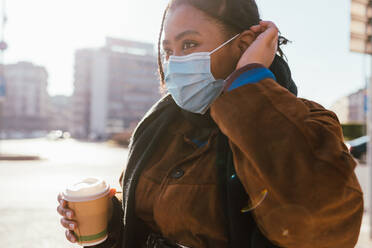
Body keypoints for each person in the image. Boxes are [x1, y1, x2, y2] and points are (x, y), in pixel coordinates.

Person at [57, 0, 364, 247]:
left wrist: (249, 84)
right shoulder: (160, 128)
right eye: (168, 51)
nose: (174, 62)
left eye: (189, 44)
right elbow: (145, 225)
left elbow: (322, 229)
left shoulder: (306, 123)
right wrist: (110, 224)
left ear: (244, 44)